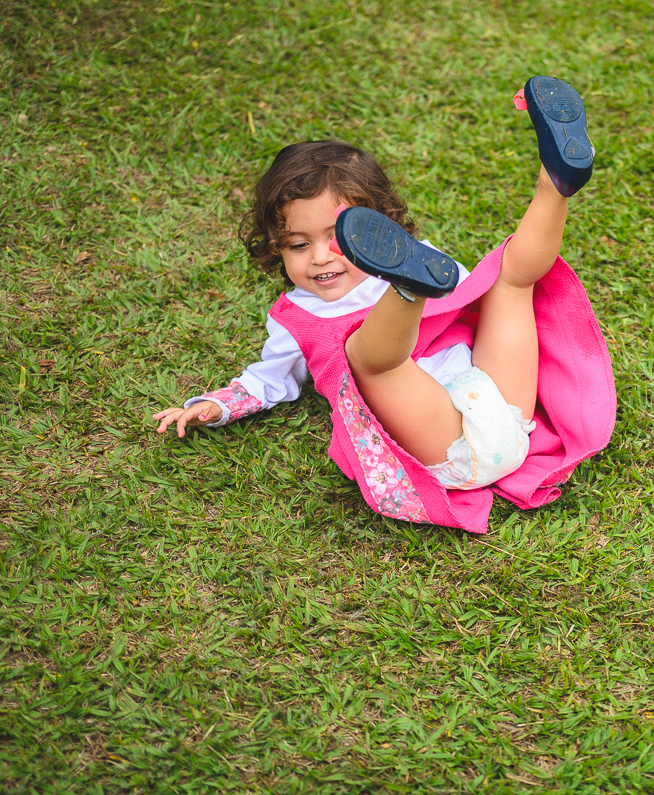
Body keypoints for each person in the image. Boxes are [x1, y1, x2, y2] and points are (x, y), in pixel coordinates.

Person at [151, 76, 616, 533]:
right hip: (449, 445)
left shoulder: (417, 259)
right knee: (368, 358)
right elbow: (267, 380)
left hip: (503, 404)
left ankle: (555, 181)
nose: (318, 257)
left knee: (508, 281)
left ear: (379, 228)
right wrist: (216, 404)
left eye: (339, 239)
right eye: (297, 245)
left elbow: (473, 298)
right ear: (276, 247)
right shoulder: (296, 318)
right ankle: (407, 291)